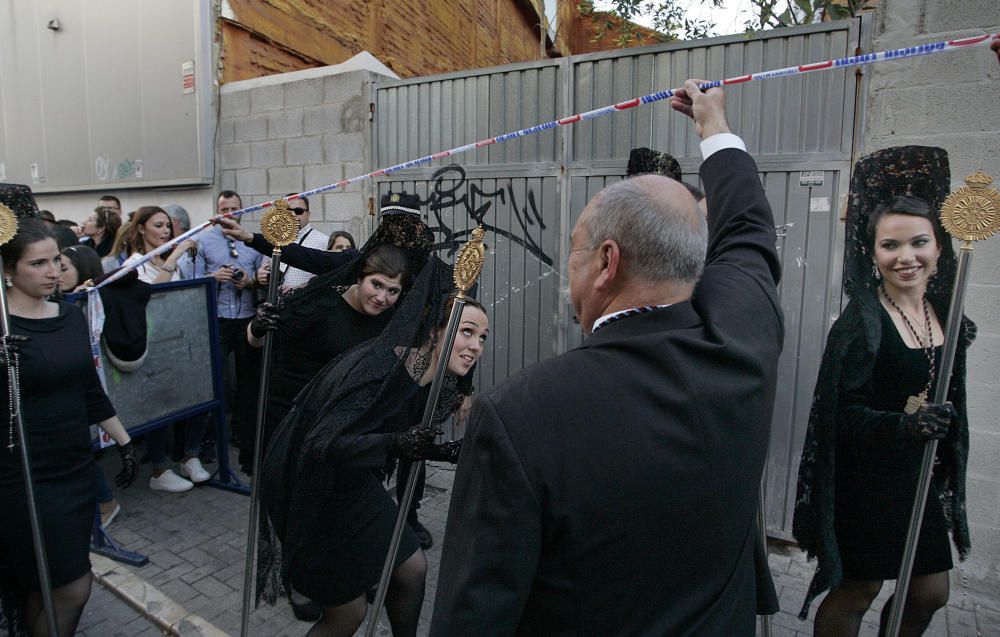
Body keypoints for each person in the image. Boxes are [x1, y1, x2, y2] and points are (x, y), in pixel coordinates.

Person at [430, 79, 783, 636]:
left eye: (575, 248)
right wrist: (716, 129)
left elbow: (475, 614)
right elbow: (749, 233)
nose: (568, 269)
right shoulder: (746, 339)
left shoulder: (519, 415)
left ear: (606, 263)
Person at [793, 145, 973, 636]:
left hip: (916, 476)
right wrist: (903, 423)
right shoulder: (861, 324)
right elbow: (841, 413)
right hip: (868, 480)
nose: (906, 257)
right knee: (858, 590)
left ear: (939, 246)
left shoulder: (951, 317)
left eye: (919, 242)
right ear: (872, 253)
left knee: (931, 590)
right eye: (890, 246)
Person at [259, 277, 488, 637]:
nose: (475, 346)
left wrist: (440, 450)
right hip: (316, 487)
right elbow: (326, 445)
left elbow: (403, 438)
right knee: (349, 613)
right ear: (433, 331)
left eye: (482, 338)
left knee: (411, 568)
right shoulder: (383, 370)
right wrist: (398, 443)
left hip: (354, 481)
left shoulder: (429, 376)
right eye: (467, 332)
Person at [0, 216, 139, 636]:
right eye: (37, 264)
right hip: (24, 476)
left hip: (76, 469)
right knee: (73, 588)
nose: (52, 272)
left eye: (55, 260)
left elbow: (89, 390)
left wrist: (124, 441)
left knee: (49, 589)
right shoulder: (3, 329)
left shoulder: (69, 315)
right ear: (8, 271)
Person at [259, 195, 329, 294]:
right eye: (288, 211)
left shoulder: (324, 241)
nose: (293, 214)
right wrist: (261, 275)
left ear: (308, 214)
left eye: (299, 211)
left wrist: (300, 289)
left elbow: (328, 278)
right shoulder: (272, 240)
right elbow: (264, 268)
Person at [120, 206, 197, 285]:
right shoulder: (132, 264)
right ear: (141, 229)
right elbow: (155, 294)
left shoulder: (167, 261)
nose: (166, 231)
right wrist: (172, 259)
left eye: (168, 226)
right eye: (158, 225)